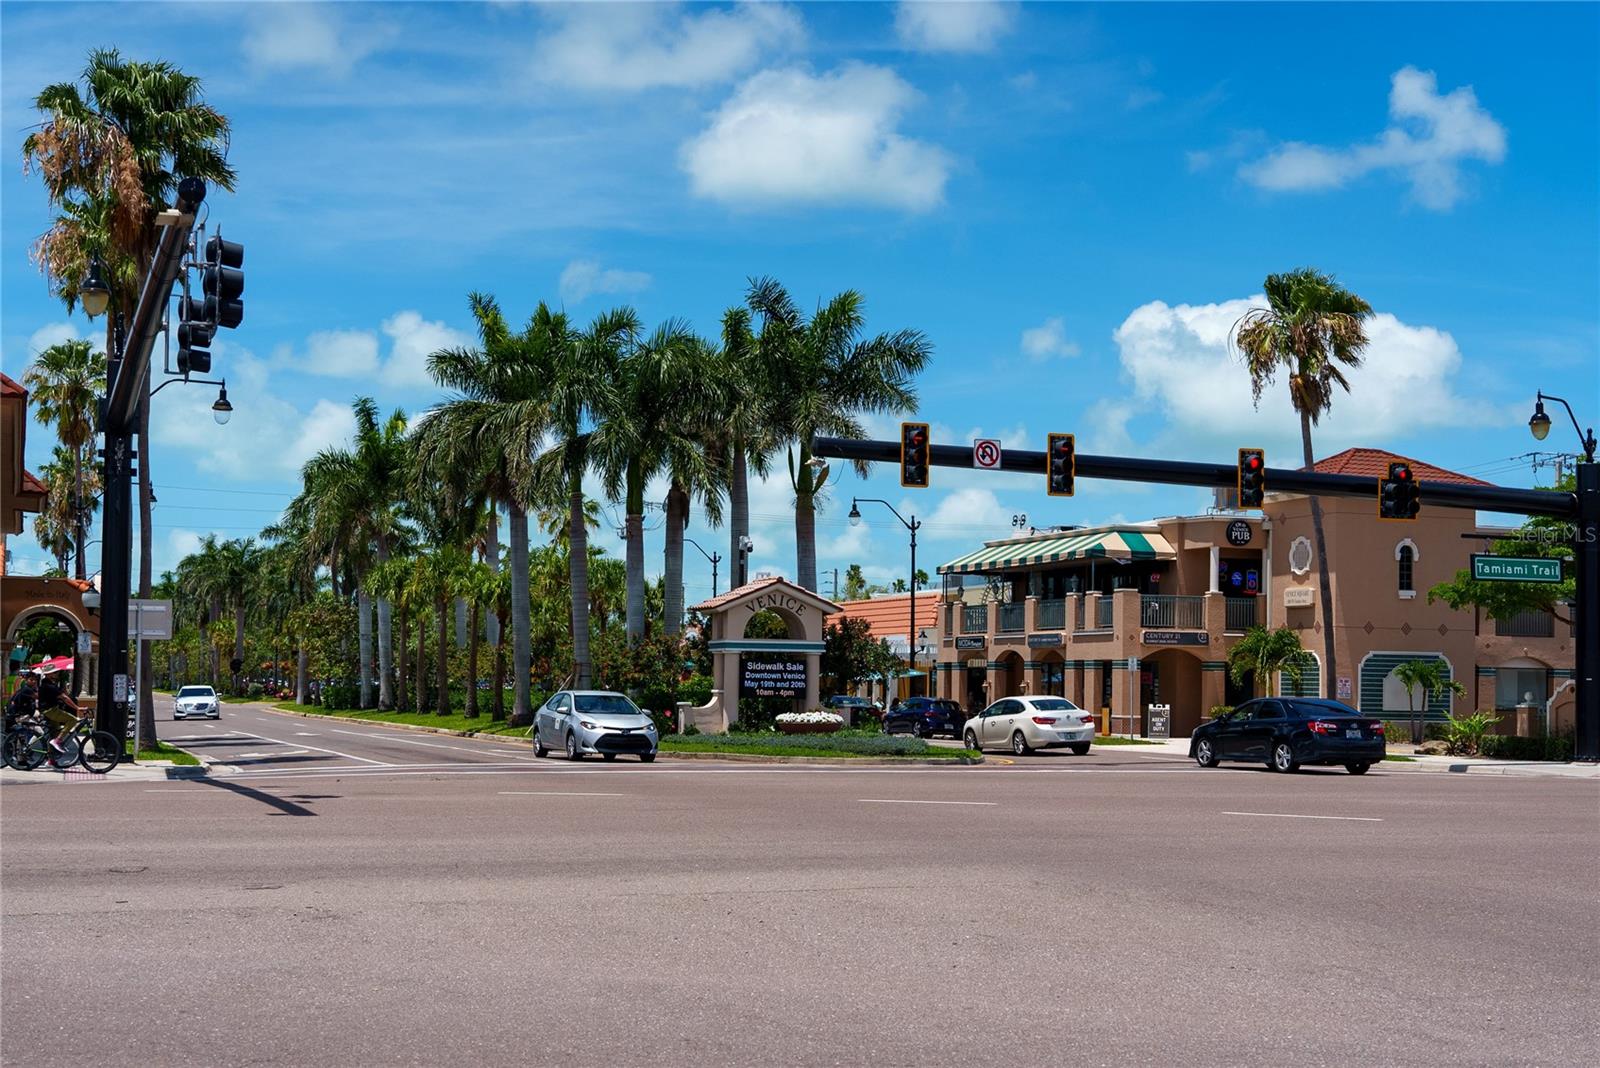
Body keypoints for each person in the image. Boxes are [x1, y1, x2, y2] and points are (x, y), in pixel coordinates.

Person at [35, 667, 82, 756]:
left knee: (54, 733)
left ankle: (51, 759)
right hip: (51, 711)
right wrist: (77, 708)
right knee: (73, 720)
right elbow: (64, 697)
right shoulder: (49, 685)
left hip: (49, 710)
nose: (57, 674)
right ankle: (58, 741)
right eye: (54, 672)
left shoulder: (47, 684)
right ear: (48, 674)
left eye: (56, 672)